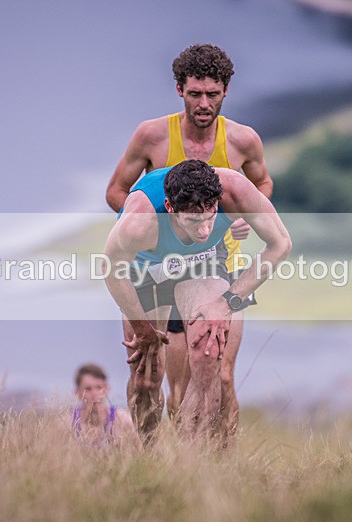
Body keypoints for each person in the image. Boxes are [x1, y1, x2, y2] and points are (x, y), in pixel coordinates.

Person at [105, 43, 273, 444]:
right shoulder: (151, 136)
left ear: (226, 91)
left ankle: (218, 461)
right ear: (178, 88)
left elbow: (261, 184)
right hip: (154, 266)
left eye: (212, 94)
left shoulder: (243, 141)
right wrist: (151, 231)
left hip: (213, 264)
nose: (203, 103)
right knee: (151, 376)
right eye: (194, 93)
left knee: (220, 372)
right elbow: (116, 193)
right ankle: (152, 460)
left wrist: (236, 220)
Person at [103, 160, 290, 443]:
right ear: (169, 208)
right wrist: (142, 328)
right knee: (146, 376)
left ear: (218, 201)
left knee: (208, 354)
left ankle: (191, 461)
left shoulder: (235, 191)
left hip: (202, 262)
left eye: (210, 217)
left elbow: (281, 244)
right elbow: (112, 271)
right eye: (192, 221)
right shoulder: (140, 221)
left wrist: (227, 303)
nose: (204, 231)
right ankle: (148, 456)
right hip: (146, 269)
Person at [69, 363, 137, 447]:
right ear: (77, 392)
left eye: (99, 388)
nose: (94, 394)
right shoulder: (66, 425)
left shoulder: (123, 421)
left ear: (106, 389)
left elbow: (142, 455)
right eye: (88, 389)